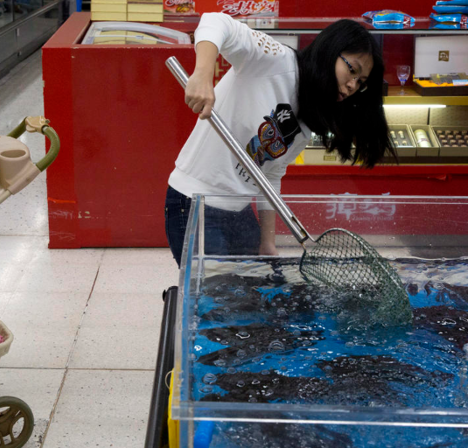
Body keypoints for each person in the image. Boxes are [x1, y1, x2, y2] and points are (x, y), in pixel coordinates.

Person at [165, 14, 395, 266]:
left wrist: (268, 241)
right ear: (329, 51)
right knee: (212, 298)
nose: (352, 85)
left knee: (252, 293)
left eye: (360, 83)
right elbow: (215, 21)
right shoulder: (274, 60)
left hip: (240, 210)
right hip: (194, 203)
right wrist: (202, 75)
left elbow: (270, 176)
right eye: (352, 70)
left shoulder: (307, 121)